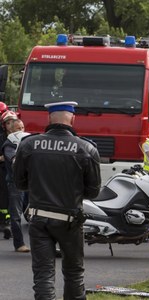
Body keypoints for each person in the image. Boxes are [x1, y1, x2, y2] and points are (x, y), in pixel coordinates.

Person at [13, 101, 101, 300]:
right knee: (74, 273)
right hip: (70, 220)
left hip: (39, 218)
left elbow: (20, 183)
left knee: (43, 275)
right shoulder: (86, 148)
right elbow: (93, 191)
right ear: (73, 119)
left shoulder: (28, 144)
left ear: (49, 118)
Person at [2, 119, 30, 253]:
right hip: (15, 183)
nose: (21, 130)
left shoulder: (25, 142)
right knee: (16, 214)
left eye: (22, 127)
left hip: (29, 183)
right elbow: (14, 161)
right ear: (11, 130)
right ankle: (19, 244)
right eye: (18, 128)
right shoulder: (9, 144)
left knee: (34, 213)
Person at [0, 108, 15, 239]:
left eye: (12, 122)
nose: (11, 125)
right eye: (8, 123)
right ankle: (4, 222)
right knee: (4, 196)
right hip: (3, 171)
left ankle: (9, 221)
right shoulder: (2, 138)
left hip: (17, 172)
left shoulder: (21, 137)